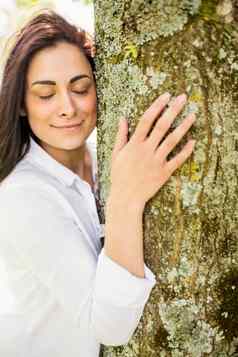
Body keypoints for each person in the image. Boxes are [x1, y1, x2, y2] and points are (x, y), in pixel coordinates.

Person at [0, 9, 196, 357]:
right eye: (46, 94)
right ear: (21, 105)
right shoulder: (22, 197)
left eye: (80, 87)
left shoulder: (97, 154)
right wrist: (126, 198)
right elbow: (110, 326)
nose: (68, 107)